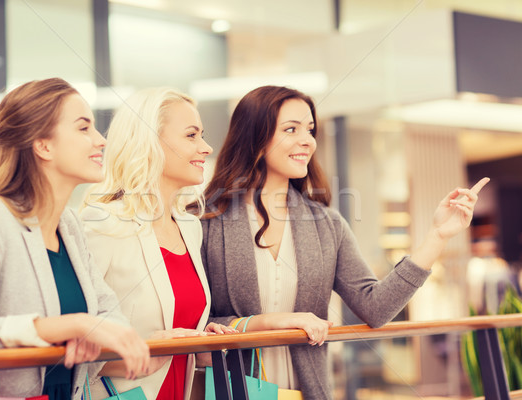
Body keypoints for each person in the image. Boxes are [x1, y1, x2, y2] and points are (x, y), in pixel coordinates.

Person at [198, 85, 489, 399]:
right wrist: (266, 323)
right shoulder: (207, 223)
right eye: (290, 129)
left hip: (305, 391)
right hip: (233, 389)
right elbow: (194, 325)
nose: (306, 141)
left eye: (310, 129)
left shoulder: (327, 224)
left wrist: (437, 236)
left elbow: (374, 308)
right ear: (255, 138)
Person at [0, 78, 150, 400]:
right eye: (83, 128)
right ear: (43, 145)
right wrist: (73, 326)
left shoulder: (69, 225)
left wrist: (94, 332)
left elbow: (109, 314)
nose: (100, 140)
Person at [80, 87, 234, 400]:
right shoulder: (103, 224)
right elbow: (72, 348)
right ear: (149, 142)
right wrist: (147, 351)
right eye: (191, 136)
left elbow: (176, 323)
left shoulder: (190, 227)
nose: (205, 147)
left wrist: (199, 342)